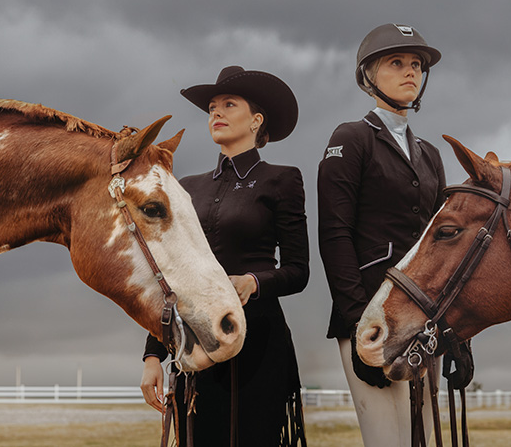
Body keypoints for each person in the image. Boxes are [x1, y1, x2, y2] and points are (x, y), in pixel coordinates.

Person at [141, 66, 309, 447]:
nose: (215, 112)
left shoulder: (282, 180)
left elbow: (299, 271)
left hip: (259, 340)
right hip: (193, 341)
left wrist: (253, 282)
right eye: (212, 107)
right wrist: (153, 355)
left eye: (228, 104)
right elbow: (167, 277)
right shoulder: (186, 189)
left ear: (256, 120)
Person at [317, 23, 447, 446]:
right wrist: (359, 325)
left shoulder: (430, 154)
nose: (410, 72)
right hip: (370, 314)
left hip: (424, 318)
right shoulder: (351, 139)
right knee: (386, 440)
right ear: (368, 75)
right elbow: (334, 233)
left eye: (416, 65)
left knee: (425, 438)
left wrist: (455, 331)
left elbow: (442, 243)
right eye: (396, 63)